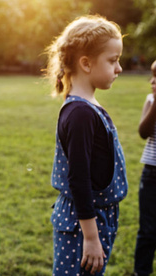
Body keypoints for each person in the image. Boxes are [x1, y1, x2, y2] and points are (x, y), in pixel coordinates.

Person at [44, 15, 128, 275]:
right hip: (83, 225)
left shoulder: (87, 107)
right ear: (86, 63)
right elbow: (79, 179)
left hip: (95, 219)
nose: (119, 68)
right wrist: (91, 238)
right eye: (113, 60)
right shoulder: (80, 114)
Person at [134, 59, 156, 276]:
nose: (152, 81)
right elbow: (143, 132)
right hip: (151, 173)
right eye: (153, 76)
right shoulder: (151, 100)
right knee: (148, 230)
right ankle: (141, 272)